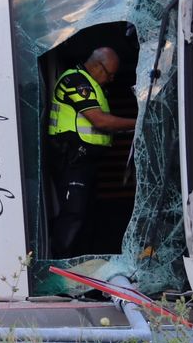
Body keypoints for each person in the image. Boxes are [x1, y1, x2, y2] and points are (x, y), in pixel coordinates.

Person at [47, 47, 136, 258]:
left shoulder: (95, 85)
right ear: (97, 66)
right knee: (73, 215)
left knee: (86, 216)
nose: (112, 79)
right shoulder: (76, 81)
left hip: (86, 163)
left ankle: (82, 265)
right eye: (110, 74)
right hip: (72, 161)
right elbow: (100, 121)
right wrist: (139, 123)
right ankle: (62, 268)